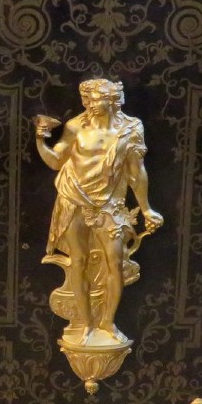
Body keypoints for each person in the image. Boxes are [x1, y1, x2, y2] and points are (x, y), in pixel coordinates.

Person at [35, 79, 162, 350]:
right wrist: (40, 138)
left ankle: (107, 323)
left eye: (96, 99)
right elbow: (57, 161)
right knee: (77, 261)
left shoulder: (130, 129)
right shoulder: (74, 127)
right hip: (74, 200)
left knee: (114, 264)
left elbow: (136, 172)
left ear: (114, 100)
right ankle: (86, 324)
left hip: (110, 206)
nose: (90, 105)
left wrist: (147, 207)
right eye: (87, 99)